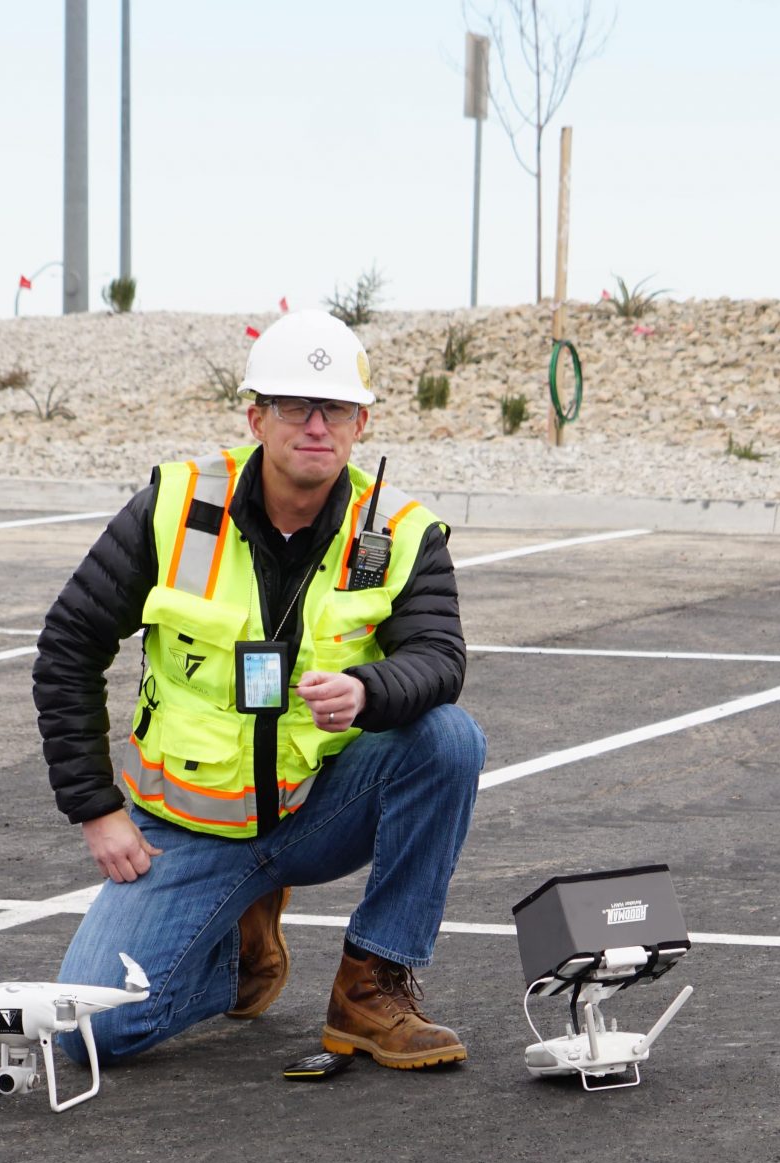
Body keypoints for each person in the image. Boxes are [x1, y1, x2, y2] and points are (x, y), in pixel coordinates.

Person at [32, 309, 484, 1070]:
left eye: (335, 408)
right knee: (89, 1034)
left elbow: (439, 656)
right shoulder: (173, 510)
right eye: (295, 406)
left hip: (317, 806)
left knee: (449, 740)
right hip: (190, 823)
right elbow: (68, 647)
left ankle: (370, 986)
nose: (317, 425)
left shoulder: (400, 531)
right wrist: (97, 810)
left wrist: (368, 689)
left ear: (362, 422)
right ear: (256, 418)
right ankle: (239, 945)